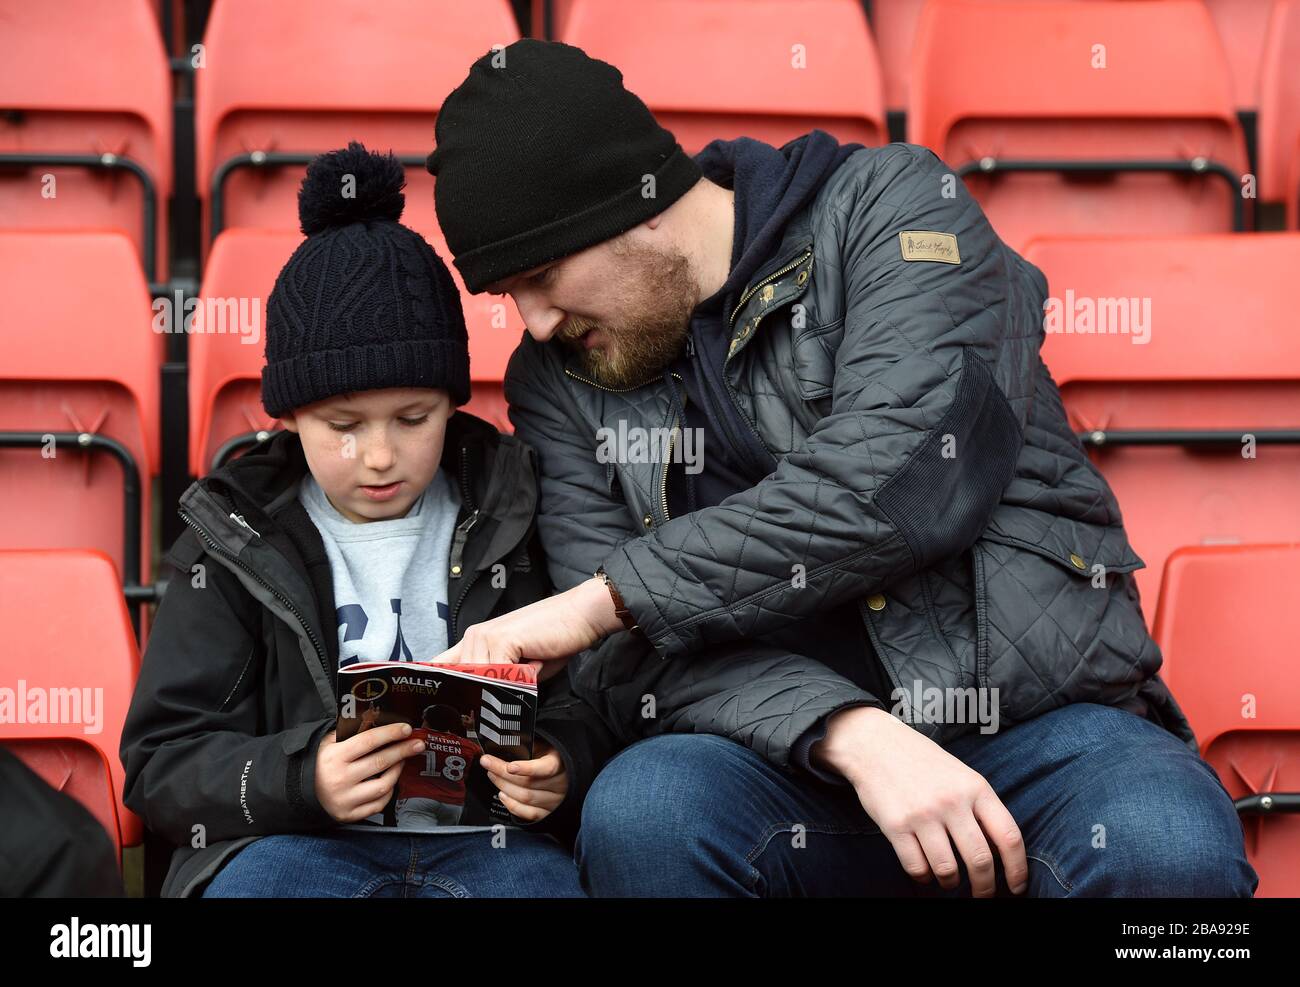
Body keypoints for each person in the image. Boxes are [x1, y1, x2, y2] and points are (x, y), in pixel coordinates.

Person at [422, 40, 1258, 898]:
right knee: (648, 809)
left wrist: (606, 598)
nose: (533, 321)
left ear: (635, 206)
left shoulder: (891, 207)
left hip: (1036, 728)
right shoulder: (560, 381)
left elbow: (901, 478)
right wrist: (847, 731)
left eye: (542, 274)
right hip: (783, 763)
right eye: (505, 294)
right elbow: (622, 663)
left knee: (1169, 842)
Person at [119, 143, 616, 898]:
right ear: (287, 418)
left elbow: (599, 699)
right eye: (343, 423)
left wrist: (562, 765)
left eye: (413, 418)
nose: (379, 454)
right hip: (292, 843)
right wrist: (301, 776)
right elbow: (162, 763)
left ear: (455, 403)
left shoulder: (518, 510)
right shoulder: (229, 540)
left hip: (493, 845)